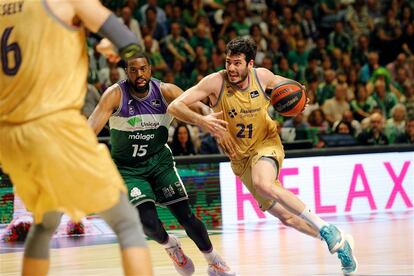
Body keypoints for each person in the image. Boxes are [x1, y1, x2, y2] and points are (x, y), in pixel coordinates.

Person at [168, 38, 358, 274]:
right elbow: (174, 106)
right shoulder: (215, 82)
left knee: (263, 183)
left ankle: (327, 229)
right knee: (288, 219)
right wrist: (203, 121)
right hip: (240, 158)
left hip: (266, 143)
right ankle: (339, 243)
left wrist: (300, 96)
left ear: (250, 63)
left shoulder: (262, 76)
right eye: (228, 62)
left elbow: (288, 85)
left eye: (237, 63)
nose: (231, 68)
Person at [0, 1, 153, 275]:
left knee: (45, 223)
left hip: (8, 136)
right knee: (127, 222)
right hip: (53, 127)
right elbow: (130, 45)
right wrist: (111, 47)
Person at [88, 54, 234, 276]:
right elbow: (89, 130)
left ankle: (213, 259)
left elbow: (198, 107)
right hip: (128, 170)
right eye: (134, 70)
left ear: (150, 70)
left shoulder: (166, 91)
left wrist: (210, 117)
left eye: (143, 69)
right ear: (127, 72)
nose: (139, 74)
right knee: (148, 224)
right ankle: (171, 246)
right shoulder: (115, 95)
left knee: (186, 216)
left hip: (160, 164)